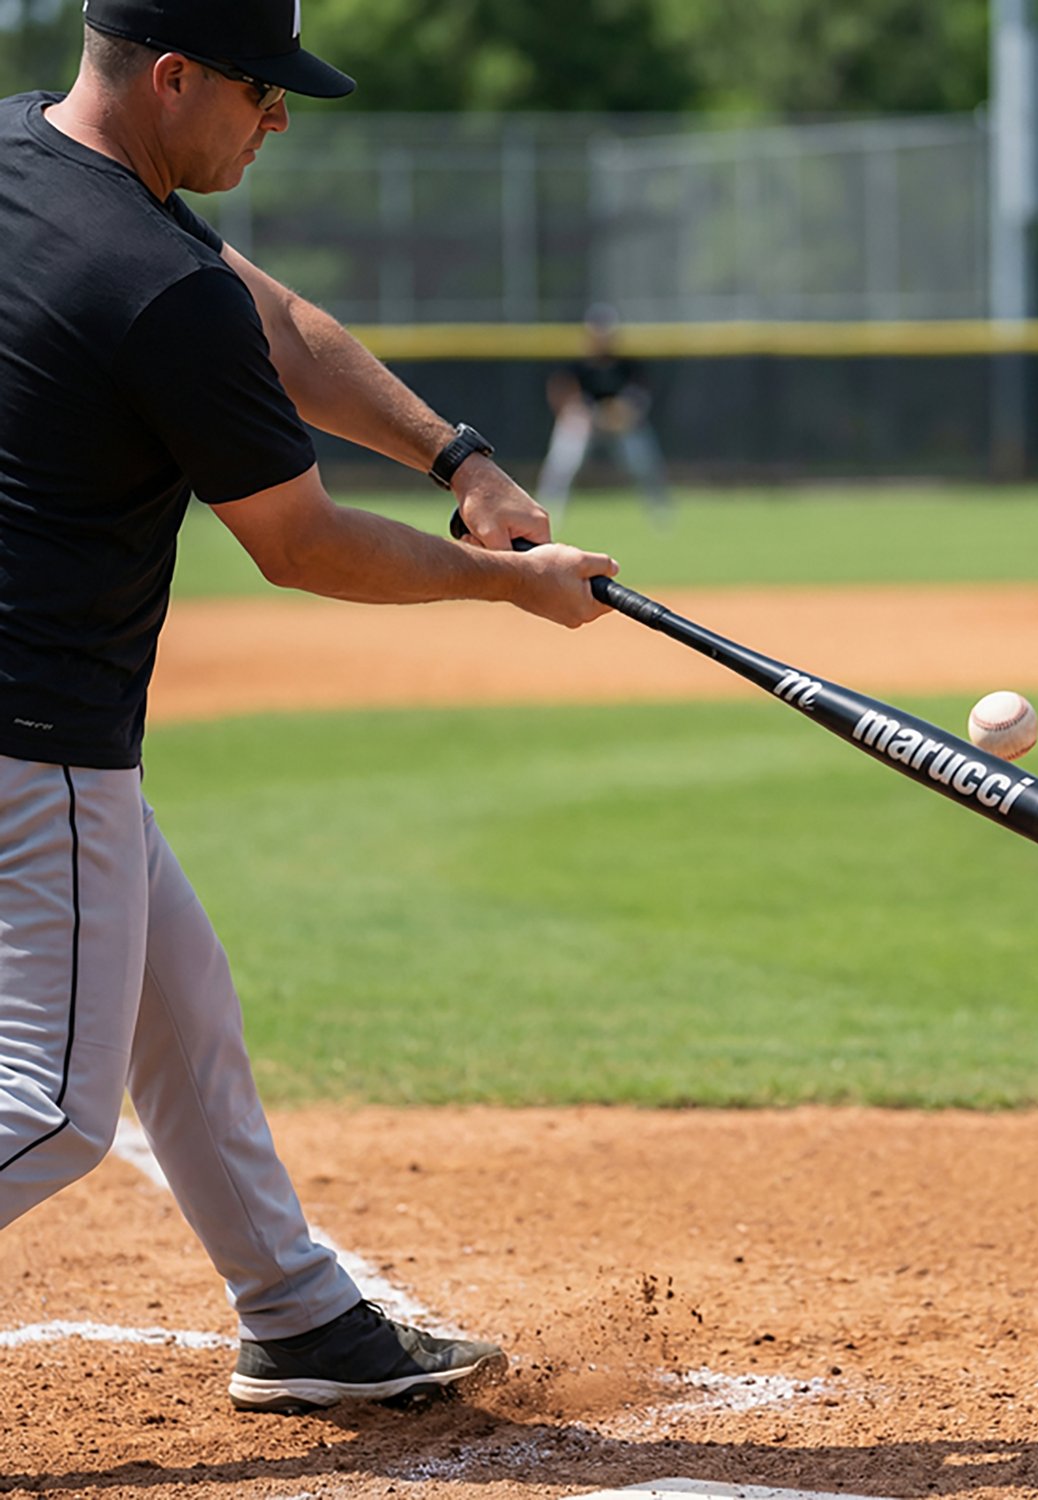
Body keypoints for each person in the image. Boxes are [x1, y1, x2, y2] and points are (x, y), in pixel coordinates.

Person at [0, 0, 619, 1415]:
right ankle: (295, 1313)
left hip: (25, 714)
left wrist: (453, 456)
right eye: (259, 90)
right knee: (44, 1112)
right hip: (34, 731)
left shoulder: (26, 159)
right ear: (172, 77)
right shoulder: (156, 284)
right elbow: (299, 544)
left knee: (180, 1003)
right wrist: (509, 588)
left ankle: (299, 1316)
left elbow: (269, 315)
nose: (278, 117)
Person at [536, 305, 673, 526]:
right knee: (563, 461)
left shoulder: (627, 365)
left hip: (619, 424)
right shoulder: (578, 366)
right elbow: (563, 395)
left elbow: (639, 398)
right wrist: (579, 414)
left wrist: (622, 413)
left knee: (644, 460)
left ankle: (659, 510)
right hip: (587, 421)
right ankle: (547, 512)